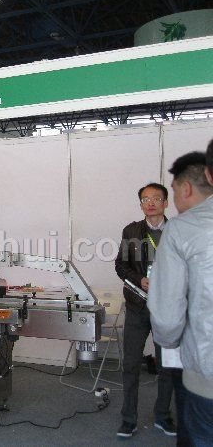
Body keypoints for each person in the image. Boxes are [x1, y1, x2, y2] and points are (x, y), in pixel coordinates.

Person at [149, 148, 213, 447]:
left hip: (205, 371)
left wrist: (168, 342)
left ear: (185, 188)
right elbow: (121, 264)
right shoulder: (130, 231)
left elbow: (167, 315)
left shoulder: (181, 228)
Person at [114, 182, 176, 438]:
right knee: (130, 365)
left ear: (165, 203)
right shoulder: (131, 231)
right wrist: (139, 279)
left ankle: (163, 416)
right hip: (138, 306)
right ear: (141, 205)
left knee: (168, 366)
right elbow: (120, 266)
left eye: (156, 198)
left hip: (168, 309)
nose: (150, 203)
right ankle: (128, 419)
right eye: (145, 199)